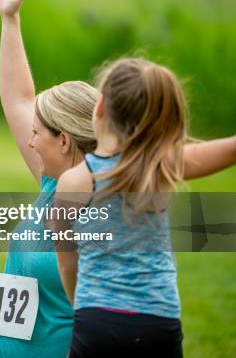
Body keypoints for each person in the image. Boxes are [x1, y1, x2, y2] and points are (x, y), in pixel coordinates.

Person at [0, 0, 236, 357]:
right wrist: (9, 19)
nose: (28, 141)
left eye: (37, 134)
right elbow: (17, 98)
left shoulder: (88, 184)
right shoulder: (56, 180)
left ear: (63, 140)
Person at [54, 57, 236, 357]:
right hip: (159, 320)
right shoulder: (159, 166)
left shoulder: (74, 180)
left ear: (99, 108)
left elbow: (67, 263)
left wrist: (82, 306)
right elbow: (229, 149)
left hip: (97, 319)